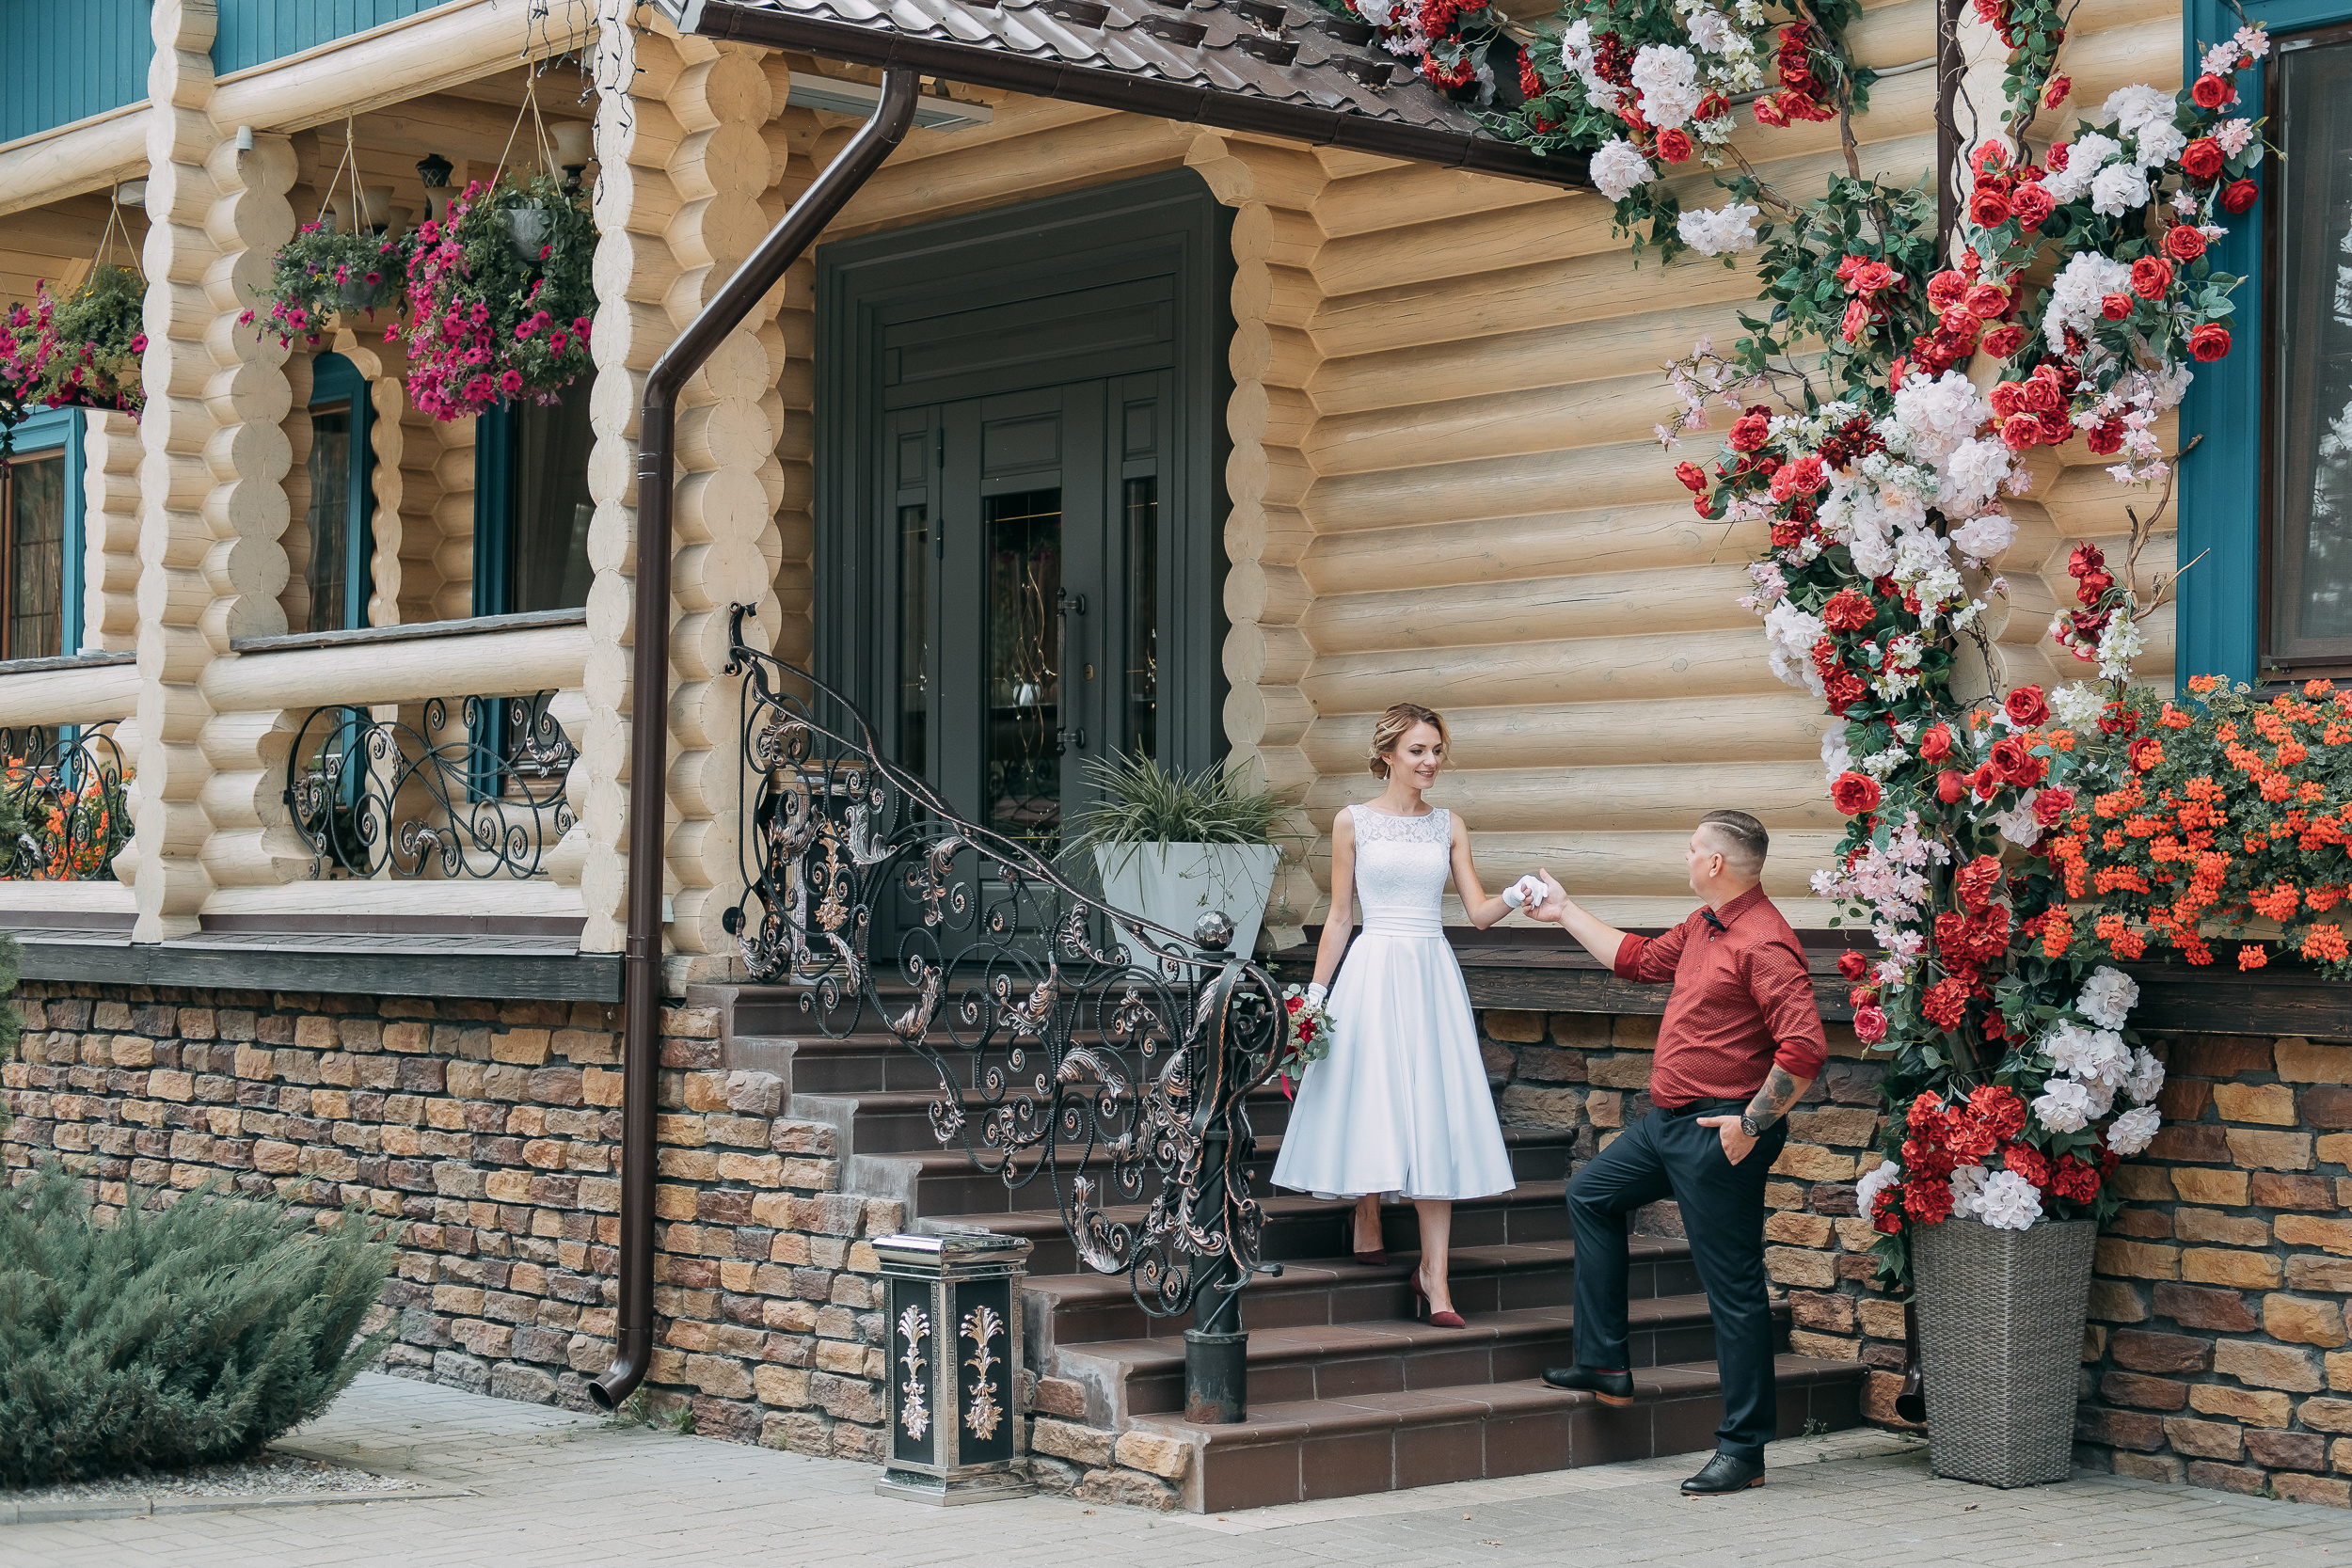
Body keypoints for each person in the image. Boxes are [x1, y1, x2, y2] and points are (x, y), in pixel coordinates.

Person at [1521, 810, 1826, 1496]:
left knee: (1735, 1290)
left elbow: (1804, 1049)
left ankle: (1744, 1450)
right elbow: (1636, 959)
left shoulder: (1765, 940)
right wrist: (1565, 910)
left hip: (1719, 1134)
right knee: (1590, 1194)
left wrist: (1748, 1125)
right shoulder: (1702, 923)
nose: (1685, 855)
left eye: (1693, 848)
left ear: (1716, 862)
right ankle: (1604, 1364)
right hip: (1664, 1124)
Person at [1269, 702, 1520, 1327]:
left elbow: (1479, 911)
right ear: (1387, 754)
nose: (1431, 761)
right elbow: (1339, 916)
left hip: (1431, 969)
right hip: (1373, 966)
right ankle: (1369, 1206)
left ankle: (1436, 1278)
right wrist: (1317, 993)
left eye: (1437, 749)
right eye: (1418, 750)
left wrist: (1518, 896)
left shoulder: (1450, 825)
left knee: (1431, 1106)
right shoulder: (1351, 822)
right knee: (1377, 1093)